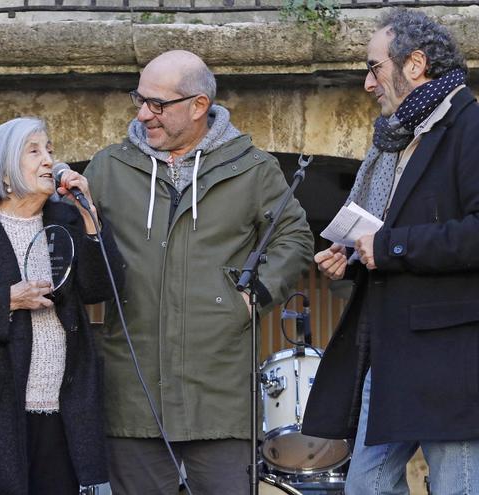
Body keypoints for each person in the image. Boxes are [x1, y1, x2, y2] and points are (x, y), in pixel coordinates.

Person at [302, 9, 479, 495]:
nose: (368, 82)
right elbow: (406, 231)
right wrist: (355, 254)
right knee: (366, 487)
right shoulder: (398, 140)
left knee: (460, 488)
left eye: (374, 67)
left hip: (453, 357)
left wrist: (390, 246)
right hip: (392, 348)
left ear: (414, 64)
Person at [84, 50, 313, 493]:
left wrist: (251, 298)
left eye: (157, 104)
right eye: (140, 99)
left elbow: (295, 239)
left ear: (198, 106)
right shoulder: (107, 168)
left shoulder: (253, 169)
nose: (143, 113)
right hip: (134, 395)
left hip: (220, 396)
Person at [0, 117, 123, 495]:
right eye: (34, 151)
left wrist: (89, 216)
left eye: (50, 150)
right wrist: (6, 300)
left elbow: (102, 287)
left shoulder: (66, 221)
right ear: (5, 171)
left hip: (64, 413)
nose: (49, 160)